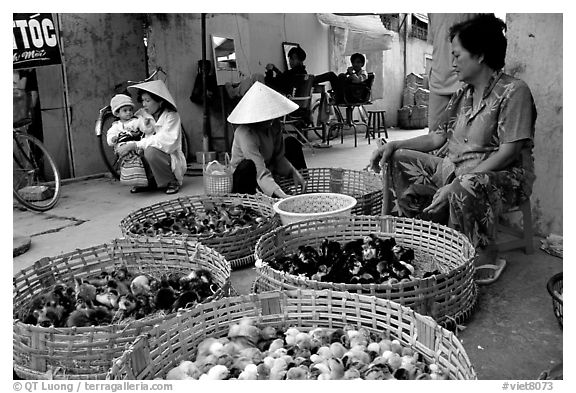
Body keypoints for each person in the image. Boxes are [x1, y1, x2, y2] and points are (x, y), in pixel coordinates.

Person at [369, 14, 537, 283]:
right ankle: (423, 237)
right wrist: (395, 144)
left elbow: (508, 153)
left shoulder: (514, 92)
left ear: (480, 55)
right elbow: (437, 138)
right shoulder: (463, 94)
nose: (453, 62)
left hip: (501, 178)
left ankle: (477, 258)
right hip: (455, 170)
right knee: (399, 158)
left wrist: (458, 182)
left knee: (465, 185)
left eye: (458, 55)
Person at [227, 81, 307, 198]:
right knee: (248, 166)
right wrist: (283, 197)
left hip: (269, 170)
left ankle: (302, 186)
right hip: (247, 178)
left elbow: (279, 157)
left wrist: (294, 172)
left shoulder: (274, 125)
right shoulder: (245, 133)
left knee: (292, 143)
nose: (270, 122)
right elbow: (259, 172)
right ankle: (274, 194)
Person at [116, 80, 187, 195]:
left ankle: (170, 181)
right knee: (136, 150)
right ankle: (149, 181)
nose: (144, 104)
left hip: (168, 155)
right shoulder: (142, 114)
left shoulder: (171, 116)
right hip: (145, 150)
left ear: (160, 101)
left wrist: (135, 144)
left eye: (148, 100)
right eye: (143, 100)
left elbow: (166, 141)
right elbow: (128, 125)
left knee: (151, 151)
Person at [427, 13, 482, 133]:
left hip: (467, 80)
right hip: (438, 80)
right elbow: (434, 40)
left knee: (465, 136)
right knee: (435, 136)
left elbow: (487, 36)